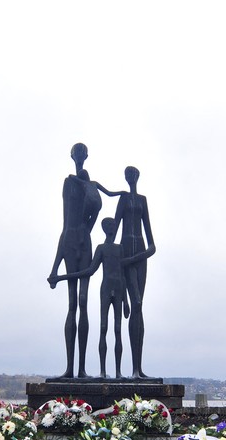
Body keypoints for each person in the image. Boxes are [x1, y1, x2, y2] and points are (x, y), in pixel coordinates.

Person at [47, 143, 103, 378]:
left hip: (83, 240)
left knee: (83, 301)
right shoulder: (67, 183)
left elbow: (97, 206)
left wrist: (87, 229)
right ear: (72, 156)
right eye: (76, 153)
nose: (79, 156)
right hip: (70, 239)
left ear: (86, 156)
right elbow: (65, 222)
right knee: (72, 304)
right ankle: (70, 368)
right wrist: (55, 267)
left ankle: (81, 369)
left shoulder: (87, 183)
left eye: (82, 153)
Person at [53, 218, 129, 378]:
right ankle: (102, 371)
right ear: (104, 228)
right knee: (103, 328)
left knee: (117, 330)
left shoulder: (120, 248)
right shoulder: (101, 248)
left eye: (113, 225)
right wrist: (62, 277)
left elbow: (123, 274)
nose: (112, 228)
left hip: (119, 289)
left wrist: (126, 301)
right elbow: (90, 270)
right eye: (109, 225)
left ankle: (118, 372)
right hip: (106, 289)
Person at [98, 166, 155, 378]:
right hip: (126, 254)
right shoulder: (123, 200)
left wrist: (137, 257)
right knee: (136, 303)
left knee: (140, 307)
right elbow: (114, 228)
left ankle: (137, 368)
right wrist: (110, 256)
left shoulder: (142, 200)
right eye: (127, 175)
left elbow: (152, 245)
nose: (130, 177)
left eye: (133, 175)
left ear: (137, 177)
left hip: (140, 255)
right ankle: (134, 370)